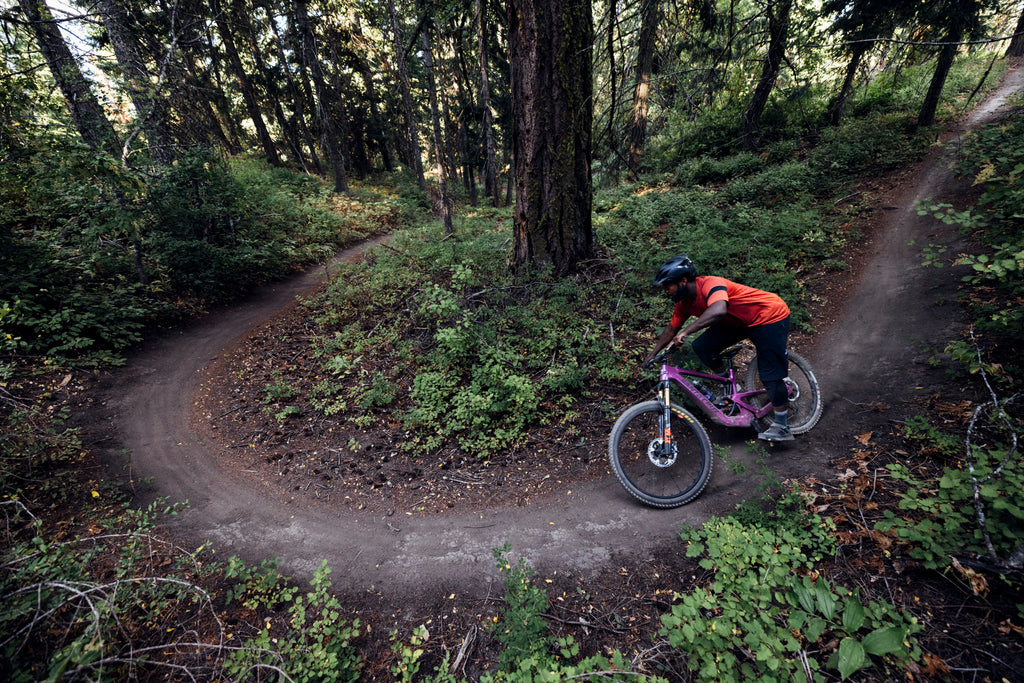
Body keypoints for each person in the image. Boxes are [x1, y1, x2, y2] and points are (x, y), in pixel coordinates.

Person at [643, 254, 795, 442]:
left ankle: (782, 425)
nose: (666, 290)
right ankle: (731, 388)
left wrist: (686, 332)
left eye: (668, 285)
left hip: (768, 315)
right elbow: (670, 330)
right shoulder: (684, 304)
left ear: (683, 281)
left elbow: (718, 310)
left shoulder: (711, 284)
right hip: (737, 322)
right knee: (703, 347)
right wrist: (652, 355)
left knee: (769, 374)